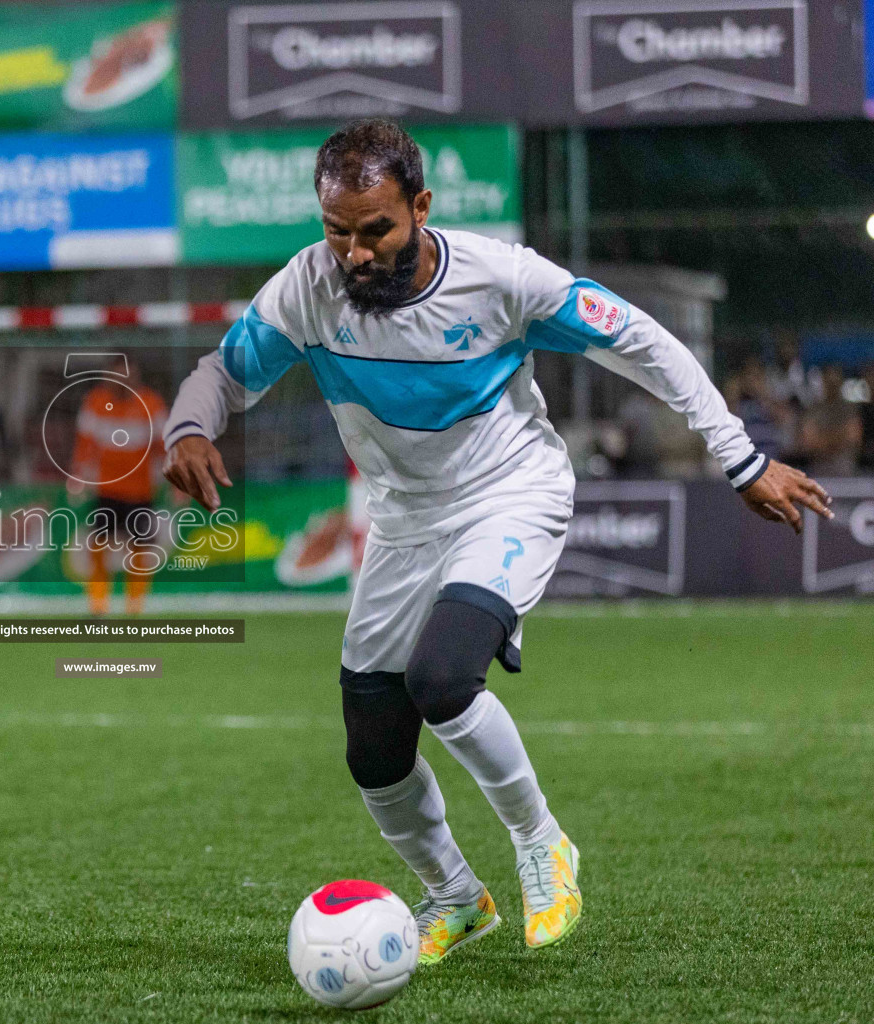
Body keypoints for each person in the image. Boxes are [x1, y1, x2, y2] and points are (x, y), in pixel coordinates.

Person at [163, 119, 831, 965]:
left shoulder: (501, 279)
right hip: (404, 520)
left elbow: (641, 338)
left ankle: (542, 843)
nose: (356, 253)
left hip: (509, 495)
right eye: (338, 232)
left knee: (443, 677)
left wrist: (739, 458)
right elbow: (224, 370)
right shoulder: (308, 288)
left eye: (377, 230)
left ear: (421, 207)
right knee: (372, 748)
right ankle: (454, 895)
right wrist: (191, 424)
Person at [68, 360, 167, 615]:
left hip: (141, 493)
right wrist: (77, 476)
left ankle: (135, 607)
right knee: (98, 545)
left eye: (128, 376)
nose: (122, 382)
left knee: (139, 550)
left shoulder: (151, 403)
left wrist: (177, 481)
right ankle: (98, 606)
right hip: (107, 491)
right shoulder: (96, 402)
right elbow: (84, 444)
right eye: (117, 376)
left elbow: (163, 446)